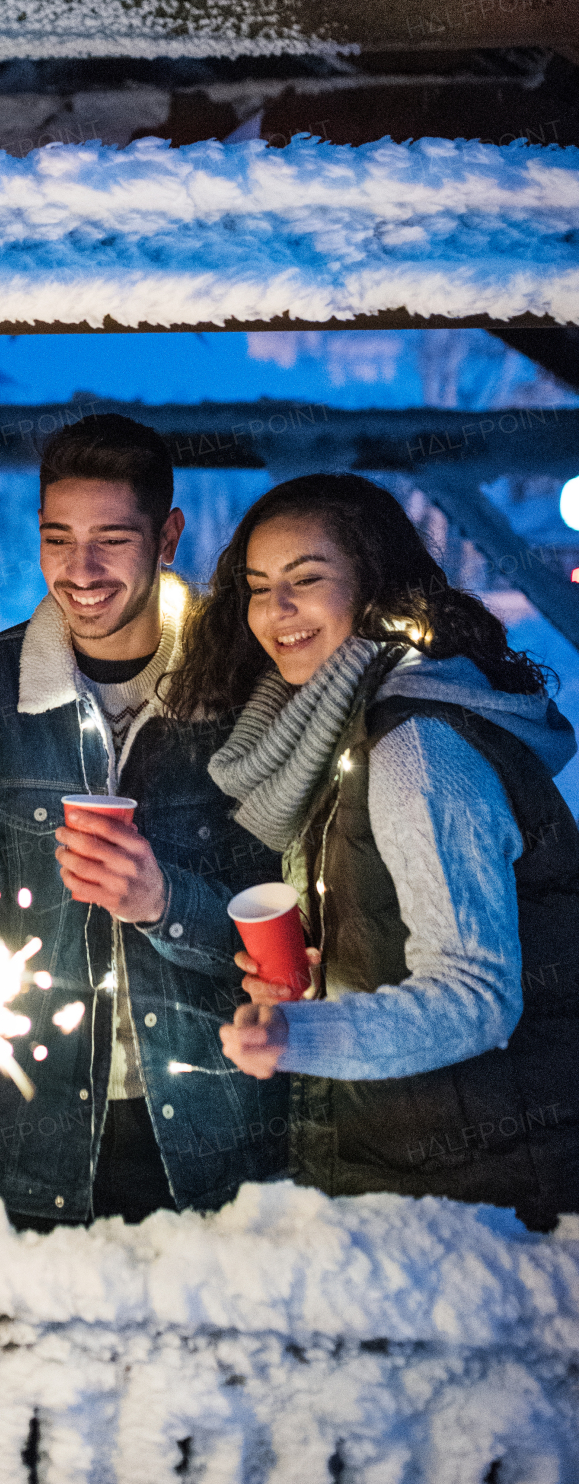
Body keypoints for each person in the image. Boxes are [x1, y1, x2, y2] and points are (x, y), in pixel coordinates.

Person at [0, 414, 289, 1229]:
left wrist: (165, 902)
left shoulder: (242, 691)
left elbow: (294, 924)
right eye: (58, 539)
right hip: (31, 1141)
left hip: (212, 1135)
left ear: (167, 537)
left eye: (112, 539)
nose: (80, 571)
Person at [178, 472, 579, 1230]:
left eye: (307, 580)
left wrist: (300, 1033)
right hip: (424, 1169)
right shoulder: (347, 734)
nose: (276, 610)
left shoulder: (416, 750)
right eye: (259, 587)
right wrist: (341, 969)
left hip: (489, 1192)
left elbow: (478, 996)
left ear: (373, 587)